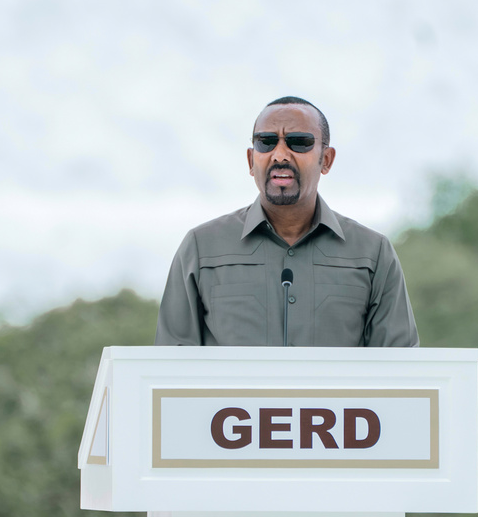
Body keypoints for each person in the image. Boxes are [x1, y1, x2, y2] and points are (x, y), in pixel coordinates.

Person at [154, 96, 418, 347]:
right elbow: (169, 370)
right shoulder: (201, 249)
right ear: (250, 160)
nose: (280, 155)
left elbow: (400, 374)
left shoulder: (373, 254)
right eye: (266, 142)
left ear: (326, 160)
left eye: (299, 142)